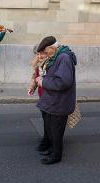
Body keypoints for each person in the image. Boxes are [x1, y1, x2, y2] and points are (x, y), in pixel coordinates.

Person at [35, 36, 77, 165]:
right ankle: (52, 149)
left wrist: (43, 82)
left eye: (46, 52)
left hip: (59, 102)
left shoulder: (63, 58)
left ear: (52, 48)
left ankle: (56, 155)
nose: (45, 55)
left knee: (56, 131)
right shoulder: (57, 56)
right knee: (51, 128)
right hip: (53, 100)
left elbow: (63, 82)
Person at [27, 44, 50, 155]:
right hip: (43, 96)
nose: (39, 56)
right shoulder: (38, 64)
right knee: (45, 119)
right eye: (37, 54)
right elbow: (35, 77)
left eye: (41, 53)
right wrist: (32, 87)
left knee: (50, 122)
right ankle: (46, 139)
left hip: (51, 97)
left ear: (47, 53)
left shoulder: (51, 64)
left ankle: (49, 142)